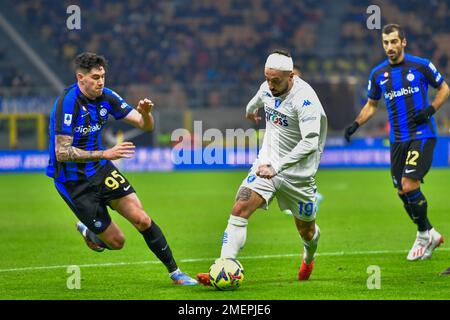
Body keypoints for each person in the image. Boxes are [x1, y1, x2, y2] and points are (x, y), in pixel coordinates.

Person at [46, 52, 197, 285]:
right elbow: (62, 152)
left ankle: (176, 273)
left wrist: (146, 114)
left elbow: (145, 126)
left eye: (103, 76)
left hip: (101, 170)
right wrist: (106, 153)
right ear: (80, 78)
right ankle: (89, 231)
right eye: (95, 77)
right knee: (117, 242)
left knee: (143, 220)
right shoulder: (68, 103)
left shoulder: (107, 97)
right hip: (72, 182)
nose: (101, 82)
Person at [197, 50, 327, 284]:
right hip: (266, 165)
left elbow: (310, 142)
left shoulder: (305, 99)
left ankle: (309, 256)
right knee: (240, 207)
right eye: (267, 78)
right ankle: (224, 266)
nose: (270, 84)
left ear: (291, 76)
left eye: (275, 80)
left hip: (298, 177)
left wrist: (278, 166)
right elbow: (256, 101)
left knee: (307, 232)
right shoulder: (268, 87)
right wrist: (249, 112)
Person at [344, 24, 450, 261]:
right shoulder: (378, 74)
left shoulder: (420, 65)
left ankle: (424, 234)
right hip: (397, 140)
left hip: (421, 135)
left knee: (409, 184)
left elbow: (444, 88)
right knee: (402, 191)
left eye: (394, 42)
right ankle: (431, 232)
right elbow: (372, 105)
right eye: (385, 43)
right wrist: (355, 124)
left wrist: (431, 110)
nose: (389, 47)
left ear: (403, 42)